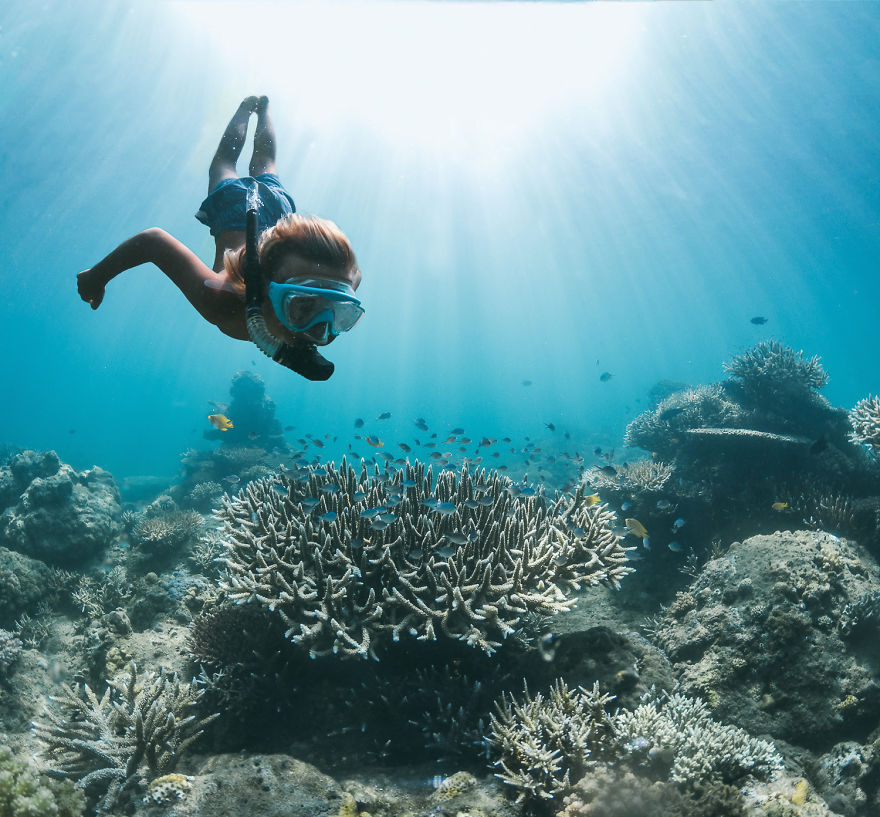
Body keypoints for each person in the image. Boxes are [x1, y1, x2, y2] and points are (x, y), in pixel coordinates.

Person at [77, 96, 363, 380]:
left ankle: (257, 109)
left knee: (264, 161)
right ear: (263, 290)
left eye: (340, 312)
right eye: (302, 308)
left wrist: (334, 288)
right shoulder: (220, 302)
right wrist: (96, 277)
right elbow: (154, 241)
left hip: (279, 211)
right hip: (236, 207)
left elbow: (353, 278)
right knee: (226, 161)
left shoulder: (339, 282)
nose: (322, 332)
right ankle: (250, 109)